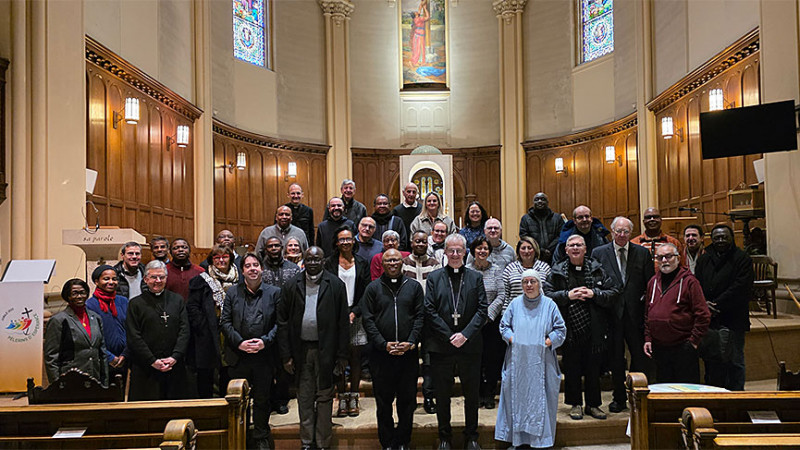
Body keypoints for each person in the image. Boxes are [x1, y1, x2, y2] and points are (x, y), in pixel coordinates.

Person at [277, 247, 349, 450]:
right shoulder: (292, 285)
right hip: (301, 351)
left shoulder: (335, 285)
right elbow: (282, 322)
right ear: (304, 261)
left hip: (326, 350)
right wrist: (286, 356)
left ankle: (323, 442)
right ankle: (307, 442)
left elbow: (343, 322)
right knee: (305, 396)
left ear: (323, 261)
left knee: (325, 396)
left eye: (317, 259)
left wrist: (342, 355)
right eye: (309, 259)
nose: (313, 263)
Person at [543, 234, 618, 421]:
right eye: (572, 245)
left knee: (594, 369)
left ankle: (593, 405)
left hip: (595, 327)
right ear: (566, 250)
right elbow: (546, 294)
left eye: (579, 245)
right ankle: (575, 404)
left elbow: (614, 292)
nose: (575, 248)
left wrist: (594, 293)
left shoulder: (598, 269)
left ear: (585, 249)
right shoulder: (557, 270)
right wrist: (567, 295)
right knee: (572, 368)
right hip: (569, 328)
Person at [424, 234, 488, 450]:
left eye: (458, 250)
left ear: (465, 252)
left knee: (472, 394)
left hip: (469, 346)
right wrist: (449, 335)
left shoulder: (475, 278)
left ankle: (471, 436)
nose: (454, 254)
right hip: (441, 346)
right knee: (442, 394)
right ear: (445, 252)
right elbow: (429, 310)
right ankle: (445, 436)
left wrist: (465, 335)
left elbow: (482, 310)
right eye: (450, 250)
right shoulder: (434, 278)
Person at [361, 249, 425, 450]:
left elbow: (420, 317)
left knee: (407, 401)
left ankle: (404, 440)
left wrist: (411, 341)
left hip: (408, 354)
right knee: (383, 401)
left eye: (396, 260)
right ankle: (387, 442)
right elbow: (368, 320)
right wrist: (382, 344)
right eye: (388, 260)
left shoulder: (413, 287)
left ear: (402, 262)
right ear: (383, 263)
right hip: (381, 355)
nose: (393, 263)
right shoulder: (373, 288)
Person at [495, 269, 566, 449]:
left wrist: (547, 342)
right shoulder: (515, 303)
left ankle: (540, 441)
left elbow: (560, 329)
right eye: (525, 282)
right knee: (515, 398)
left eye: (532, 282)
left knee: (541, 400)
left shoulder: (549, 304)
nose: (528, 285)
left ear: (539, 284)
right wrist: (514, 339)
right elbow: (504, 326)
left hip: (542, 361)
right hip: (517, 360)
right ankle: (517, 439)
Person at [591, 216, 655, 412]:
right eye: (618, 231)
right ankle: (619, 397)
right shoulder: (599, 253)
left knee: (640, 358)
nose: (621, 235)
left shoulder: (642, 253)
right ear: (612, 231)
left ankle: (638, 396)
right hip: (611, 315)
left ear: (631, 233)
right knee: (616, 359)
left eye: (626, 231)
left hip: (636, 315)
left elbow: (650, 283)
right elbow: (595, 282)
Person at [220, 253, 281, 450]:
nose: (253, 268)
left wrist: (265, 342)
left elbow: (280, 323)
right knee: (240, 401)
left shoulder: (274, 293)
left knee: (262, 398)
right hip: (239, 356)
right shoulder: (231, 293)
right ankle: (242, 436)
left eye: (256, 265)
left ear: (261, 269)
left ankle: (261, 434)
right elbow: (225, 322)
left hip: (264, 355)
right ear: (242, 270)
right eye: (248, 265)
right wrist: (239, 343)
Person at [695, 224, 753, 391]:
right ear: (711, 239)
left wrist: (717, 304)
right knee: (711, 360)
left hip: (733, 317)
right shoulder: (704, 259)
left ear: (731, 238)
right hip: (709, 319)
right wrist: (703, 303)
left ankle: (736, 397)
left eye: (724, 237)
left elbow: (740, 287)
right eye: (717, 237)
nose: (720, 240)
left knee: (735, 360)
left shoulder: (742, 258)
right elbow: (696, 284)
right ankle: (714, 395)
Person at [643, 243, 710, 384]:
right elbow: (647, 313)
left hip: (683, 347)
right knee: (664, 389)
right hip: (659, 347)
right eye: (660, 258)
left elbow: (703, 314)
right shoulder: (653, 282)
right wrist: (648, 338)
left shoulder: (690, 282)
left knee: (686, 391)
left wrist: (693, 341)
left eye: (668, 256)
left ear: (678, 259)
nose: (664, 261)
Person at [323, 226, 371, 417]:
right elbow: (325, 289)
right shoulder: (329, 262)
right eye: (341, 239)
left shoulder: (362, 262)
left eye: (348, 239)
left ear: (354, 241)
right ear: (336, 242)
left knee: (355, 357)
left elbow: (366, 291)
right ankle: (342, 396)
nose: (345, 242)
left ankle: (354, 396)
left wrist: (354, 312)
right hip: (335, 315)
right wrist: (340, 314)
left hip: (356, 314)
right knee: (340, 358)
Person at [126, 260, 191, 400]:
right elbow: (133, 336)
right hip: (146, 367)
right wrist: (152, 360)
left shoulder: (177, 300)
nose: (158, 280)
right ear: (145, 279)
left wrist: (175, 357)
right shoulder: (135, 304)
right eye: (154, 277)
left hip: (173, 365)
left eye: (161, 277)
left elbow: (184, 330)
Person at [187, 244, 239, 398]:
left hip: (232, 332)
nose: (221, 260)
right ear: (211, 260)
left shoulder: (239, 278)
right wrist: (203, 326)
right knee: (206, 374)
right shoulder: (201, 280)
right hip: (208, 333)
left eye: (225, 256)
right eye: (217, 257)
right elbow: (193, 306)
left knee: (229, 372)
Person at [259, 236, 299, 415]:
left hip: (288, 323)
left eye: (277, 245)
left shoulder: (294, 269)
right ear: (265, 249)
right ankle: (267, 399)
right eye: (270, 246)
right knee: (267, 365)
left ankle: (282, 399)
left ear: (282, 248)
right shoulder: (259, 268)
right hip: (265, 322)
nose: (274, 248)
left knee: (285, 364)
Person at [402, 230, 442, 414]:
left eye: (423, 241)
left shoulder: (435, 264)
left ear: (428, 244)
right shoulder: (403, 264)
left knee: (428, 361)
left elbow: (438, 292)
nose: (420, 244)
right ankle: (408, 398)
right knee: (408, 361)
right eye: (417, 241)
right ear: (411, 243)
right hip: (408, 319)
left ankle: (428, 397)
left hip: (429, 320)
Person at [44, 279, 109, 385]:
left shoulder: (95, 317)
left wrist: (105, 382)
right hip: (69, 381)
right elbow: (51, 357)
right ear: (67, 296)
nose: (79, 297)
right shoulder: (59, 320)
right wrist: (56, 386)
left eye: (82, 293)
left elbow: (102, 352)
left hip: (95, 379)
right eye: (74, 293)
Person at [465, 237, 503, 409]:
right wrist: (476, 317)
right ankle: (478, 393)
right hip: (472, 323)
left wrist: (487, 315)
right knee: (474, 360)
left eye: (485, 249)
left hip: (491, 322)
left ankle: (489, 393)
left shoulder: (496, 270)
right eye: (479, 248)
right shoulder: (466, 270)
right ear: (473, 251)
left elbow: (502, 295)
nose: (482, 251)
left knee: (492, 359)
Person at [86, 265, 129, 387]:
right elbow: (91, 337)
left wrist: (125, 354)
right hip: (102, 360)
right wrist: (109, 357)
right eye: (106, 279)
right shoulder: (89, 305)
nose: (111, 282)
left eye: (114, 279)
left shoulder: (123, 301)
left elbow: (131, 329)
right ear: (96, 282)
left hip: (124, 358)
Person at [494, 237, 552, 319]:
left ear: (535, 250)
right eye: (523, 248)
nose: (526, 251)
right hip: (515, 314)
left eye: (529, 248)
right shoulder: (510, 268)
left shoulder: (545, 268)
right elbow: (505, 296)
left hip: (540, 315)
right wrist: (505, 316)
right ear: (518, 251)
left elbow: (549, 294)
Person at [519, 192, 564, 264]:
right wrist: (540, 250)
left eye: (543, 199)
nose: (540, 201)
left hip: (554, 255)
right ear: (533, 202)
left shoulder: (557, 218)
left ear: (547, 202)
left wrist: (549, 250)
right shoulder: (526, 219)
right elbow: (524, 236)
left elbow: (561, 235)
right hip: (533, 256)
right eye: (537, 199)